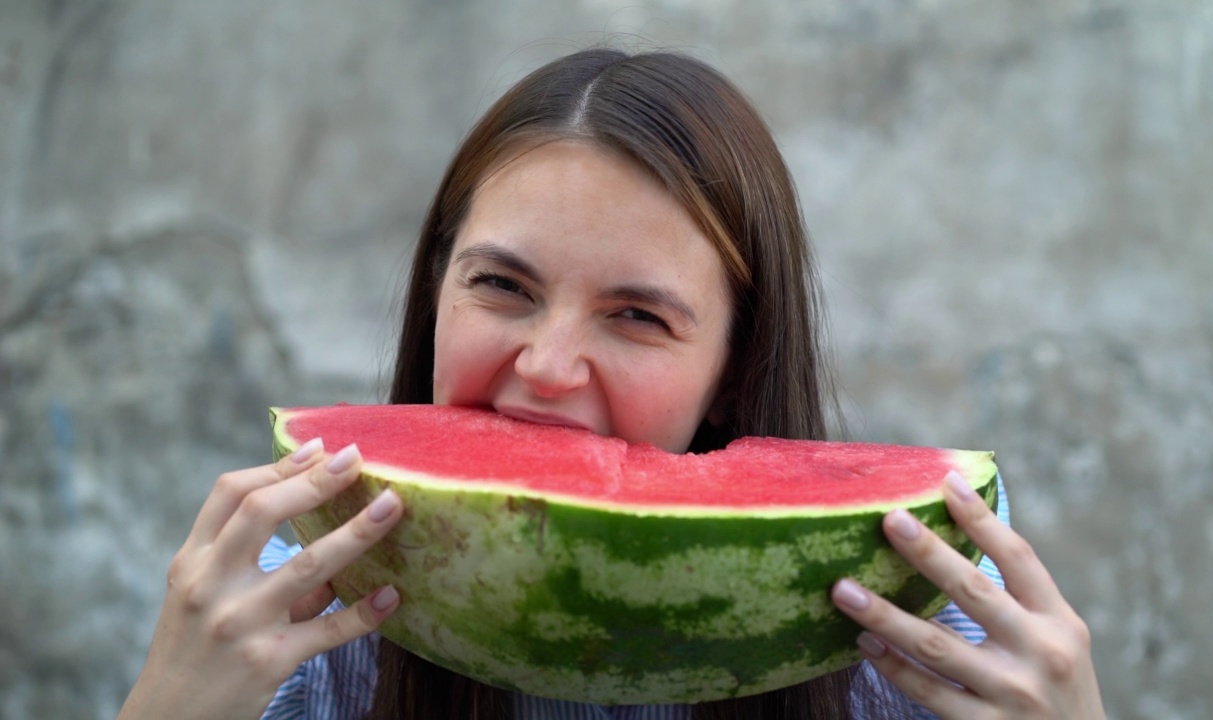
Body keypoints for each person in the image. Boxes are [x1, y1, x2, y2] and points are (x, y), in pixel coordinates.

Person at [119, 47, 1105, 720]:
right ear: (438, 287)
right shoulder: (297, 605)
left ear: (735, 361)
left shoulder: (915, 594)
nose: (547, 369)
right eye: (501, 286)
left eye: (636, 316)